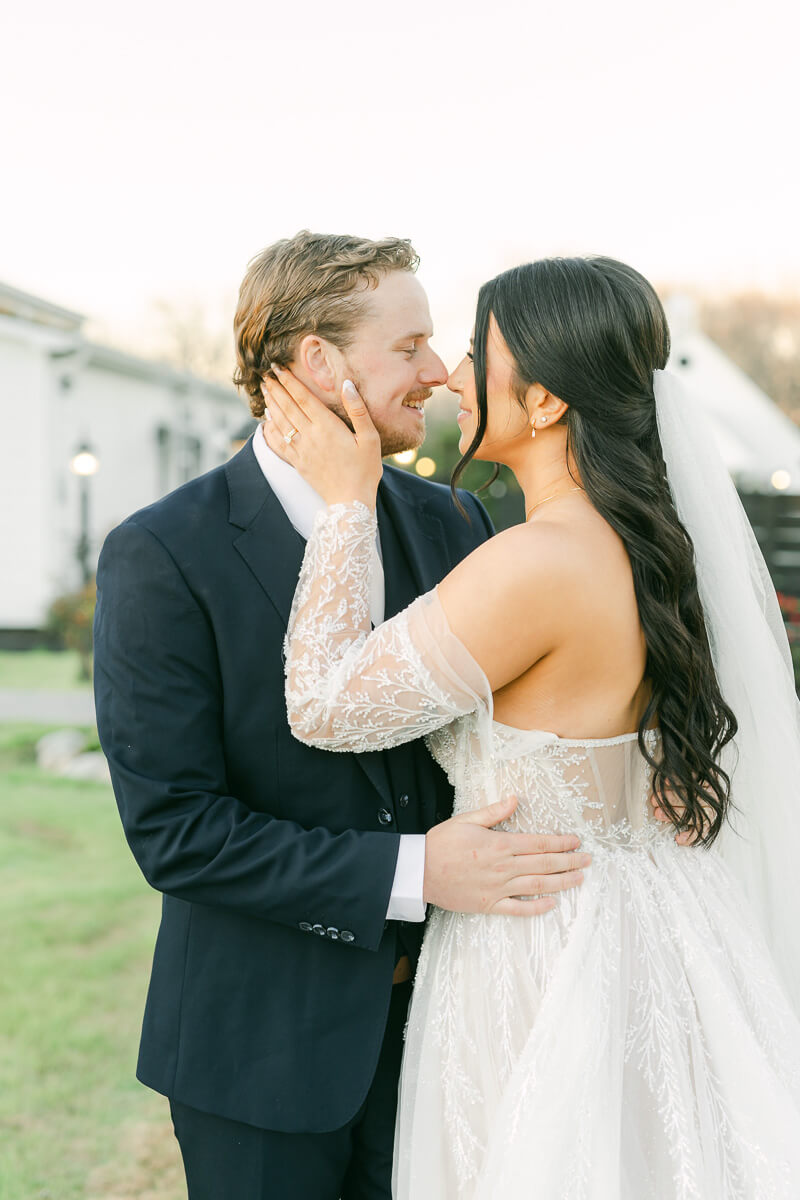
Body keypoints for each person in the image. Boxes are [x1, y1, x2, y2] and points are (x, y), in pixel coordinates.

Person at [264, 254, 800, 1198]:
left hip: (545, 952)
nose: (451, 376)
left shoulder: (539, 561)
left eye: (475, 350)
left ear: (546, 400)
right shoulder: (645, 544)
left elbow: (323, 706)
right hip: (649, 924)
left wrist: (344, 505)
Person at [93, 232, 601, 1200]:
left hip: (455, 1035)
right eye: (407, 346)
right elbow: (176, 832)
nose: (435, 374)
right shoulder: (162, 554)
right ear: (316, 361)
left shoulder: (452, 522)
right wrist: (415, 870)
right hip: (259, 1056)